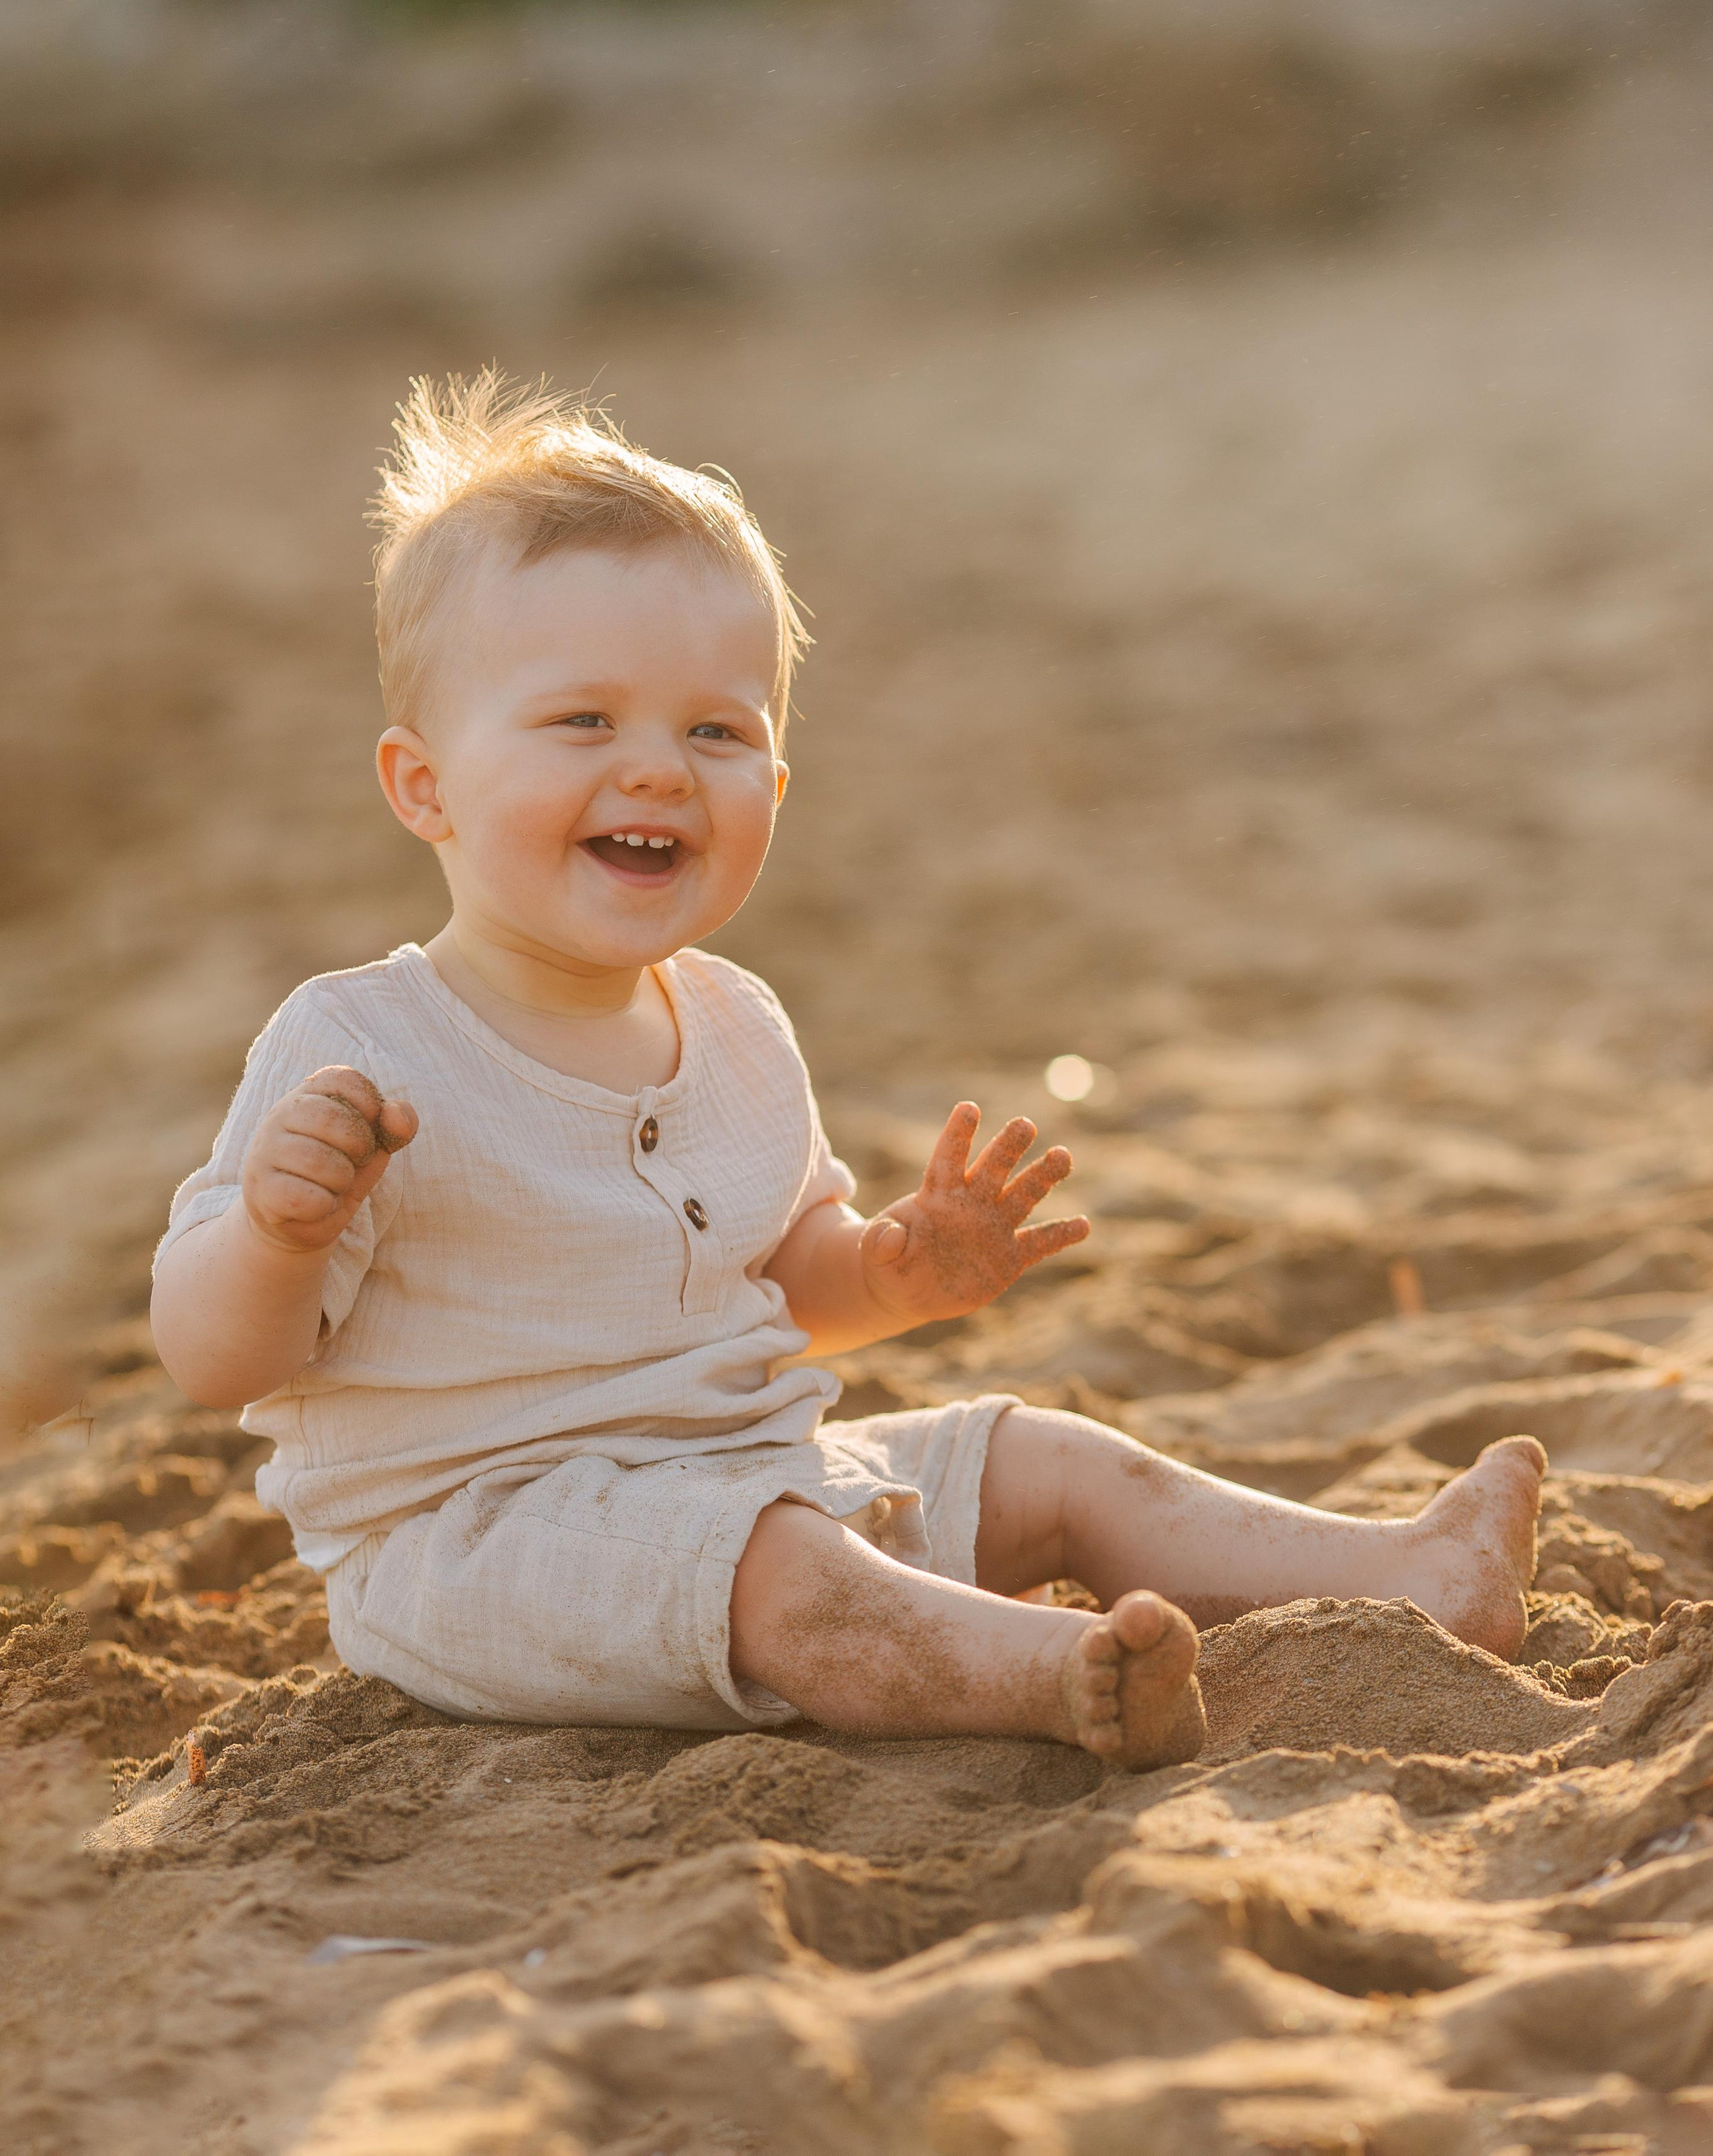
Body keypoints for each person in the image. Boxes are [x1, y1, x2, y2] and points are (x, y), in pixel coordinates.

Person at [151, 374, 1545, 1769]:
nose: (659, 771)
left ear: (775, 784)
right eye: (583, 722)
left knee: (1043, 1459)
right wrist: (277, 1232)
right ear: (424, 785)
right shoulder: (363, 1049)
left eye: (717, 732)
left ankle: (1413, 1581)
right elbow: (219, 1361)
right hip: (480, 1547)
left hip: (754, 1474)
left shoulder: (737, 1025)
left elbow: (782, 1281)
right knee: (790, 1579)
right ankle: (1055, 1676)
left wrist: (893, 1272)